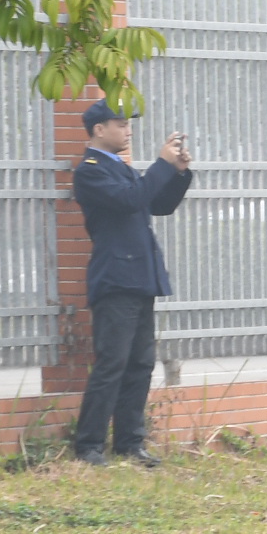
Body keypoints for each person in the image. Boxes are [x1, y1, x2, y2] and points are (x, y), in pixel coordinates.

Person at [69, 99, 192, 467]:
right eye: (120, 124)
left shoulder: (119, 169)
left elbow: (157, 205)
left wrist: (179, 172)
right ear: (98, 130)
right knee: (112, 365)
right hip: (116, 281)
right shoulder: (90, 170)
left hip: (140, 278)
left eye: (128, 123)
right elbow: (131, 199)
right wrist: (161, 165)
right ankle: (89, 446)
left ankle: (129, 443)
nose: (128, 129)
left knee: (140, 364)